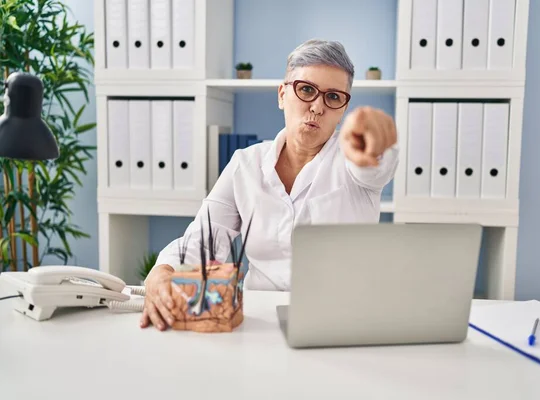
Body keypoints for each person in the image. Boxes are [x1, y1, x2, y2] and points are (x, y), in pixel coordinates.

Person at [140, 39, 399, 331]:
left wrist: (377, 142)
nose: (317, 107)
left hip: (343, 322)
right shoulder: (245, 164)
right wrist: (163, 270)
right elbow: (205, 240)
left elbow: (378, 164)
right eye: (306, 90)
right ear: (282, 94)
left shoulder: (355, 166)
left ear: (343, 109)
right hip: (261, 321)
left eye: (334, 97)